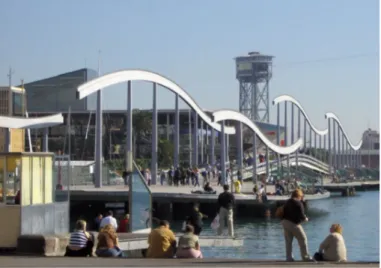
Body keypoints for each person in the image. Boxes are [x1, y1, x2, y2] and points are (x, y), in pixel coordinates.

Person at [281, 189, 312, 262]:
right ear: (299, 196)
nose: (302, 198)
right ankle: (305, 257)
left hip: (285, 222)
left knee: (288, 241)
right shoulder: (298, 203)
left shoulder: (288, 201)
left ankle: (289, 258)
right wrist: (306, 219)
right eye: (302, 196)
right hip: (293, 223)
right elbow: (302, 216)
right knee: (303, 238)